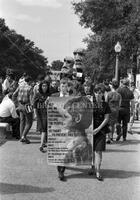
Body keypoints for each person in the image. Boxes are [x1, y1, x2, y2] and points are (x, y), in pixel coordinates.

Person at [88, 83, 111, 181]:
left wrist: (98, 128)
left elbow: (106, 118)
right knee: (91, 150)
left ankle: (98, 171)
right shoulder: (89, 103)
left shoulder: (105, 105)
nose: (98, 94)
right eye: (96, 92)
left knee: (99, 151)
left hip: (100, 130)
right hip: (90, 129)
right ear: (94, 93)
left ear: (103, 94)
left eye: (100, 92)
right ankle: (92, 166)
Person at [13, 76, 33, 144]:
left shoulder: (20, 86)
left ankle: (22, 137)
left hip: (20, 105)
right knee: (29, 122)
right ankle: (23, 137)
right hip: (27, 106)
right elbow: (31, 100)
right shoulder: (30, 88)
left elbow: (14, 95)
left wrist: (16, 104)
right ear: (29, 81)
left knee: (22, 122)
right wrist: (32, 108)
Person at [33, 80, 50, 152]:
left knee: (45, 129)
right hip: (40, 113)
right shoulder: (37, 94)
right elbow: (34, 105)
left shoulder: (50, 94)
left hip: (48, 113)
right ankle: (42, 144)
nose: (44, 87)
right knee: (43, 129)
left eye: (46, 86)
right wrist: (35, 114)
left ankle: (42, 144)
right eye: (43, 86)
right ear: (41, 86)